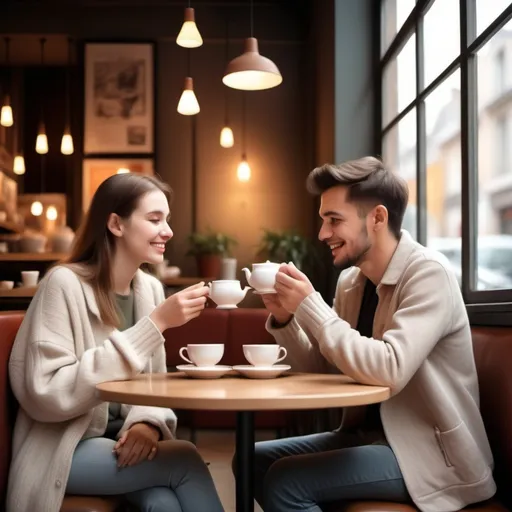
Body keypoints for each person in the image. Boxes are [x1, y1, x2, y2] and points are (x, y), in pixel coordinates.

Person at [251, 156, 495, 512]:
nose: (322, 234)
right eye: (323, 220)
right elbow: (326, 368)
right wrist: (288, 319)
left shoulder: (428, 274)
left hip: (428, 453)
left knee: (287, 481)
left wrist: (312, 306)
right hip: (366, 437)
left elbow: (389, 368)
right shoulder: (352, 282)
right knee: (252, 459)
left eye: (334, 220)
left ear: (377, 218)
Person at [7, 174, 225, 512]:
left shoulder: (149, 290)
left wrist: (146, 423)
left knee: (163, 502)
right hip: (64, 447)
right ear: (116, 224)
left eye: (167, 220)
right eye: (154, 219)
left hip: (119, 443)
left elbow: (155, 385)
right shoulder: (63, 284)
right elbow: (46, 392)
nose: (167, 230)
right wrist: (157, 324)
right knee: (186, 460)